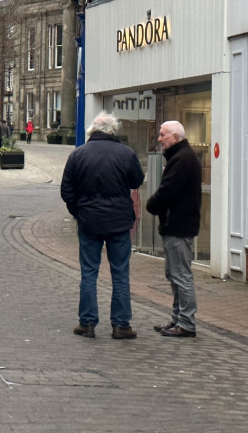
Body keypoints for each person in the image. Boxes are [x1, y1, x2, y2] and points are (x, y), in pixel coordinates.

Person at [60, 112, 143, 339]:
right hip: (118, 222)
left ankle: (87, 323)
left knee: (88, 273)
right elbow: (137, 181)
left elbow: (66, 190)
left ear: (92, 131)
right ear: (113, 131)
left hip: (89, 221)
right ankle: (121, 324)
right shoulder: (126, 154)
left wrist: (79, 212)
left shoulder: (78, 155)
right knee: (120, 273)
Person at [146, 120, 203, 338]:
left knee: (181, 276)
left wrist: (151, 205)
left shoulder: (182, 160)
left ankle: (186, 323)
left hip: (179, 226)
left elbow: (167, 191)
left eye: (163, 135)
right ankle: (178, 319)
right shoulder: (181, 158)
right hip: (175, 225)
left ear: (176, 137)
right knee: (174, 274)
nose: (159, 139)